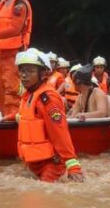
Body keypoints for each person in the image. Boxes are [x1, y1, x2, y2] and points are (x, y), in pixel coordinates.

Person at [5, 48, 84, 182]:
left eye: (30, 71)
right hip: (34, 162)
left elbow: (60, 132)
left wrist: (72, 165)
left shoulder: (48, 98)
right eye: (22, 70)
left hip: (51, 163)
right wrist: (12, 117)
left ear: (43, 74)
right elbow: (29, 118)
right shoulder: (29, 95)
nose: (24, 75)